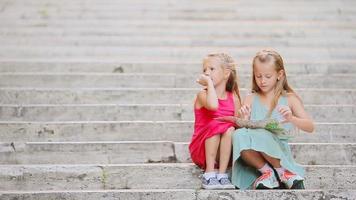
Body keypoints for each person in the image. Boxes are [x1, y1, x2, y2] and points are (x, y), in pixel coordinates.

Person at [230, 49, 314, 190]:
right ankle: (267, 173)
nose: (262, 81)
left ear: (279, 74)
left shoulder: (289, 98)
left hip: (278, 151)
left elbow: (310, 127)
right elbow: (242, 136)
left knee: (262, 134)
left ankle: (283, 171)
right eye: (258, 76)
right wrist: (243, 118)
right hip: (257, 155)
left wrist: (291, 118)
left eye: (268, 76)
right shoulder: (251, 98)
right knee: (238, 134)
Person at [189, 53, 242, 189]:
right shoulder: (203, 95)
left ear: (226, 74)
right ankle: (209, 173)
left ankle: (222, 174)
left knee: (230, 129)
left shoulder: (234, 99)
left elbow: (237, 125)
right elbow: (213, 106)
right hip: (202, 150)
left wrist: (244, 117)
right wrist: (209, 84)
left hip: (224, 151)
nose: (207, 73)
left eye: (212, 69)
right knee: (216, 125)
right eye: (204, 70)